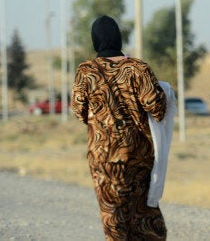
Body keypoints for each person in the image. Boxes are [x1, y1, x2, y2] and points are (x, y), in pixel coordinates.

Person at [71, 15, 168, 241]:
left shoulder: (86, 71)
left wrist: (101, 122)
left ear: (95, 41)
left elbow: (78, 111)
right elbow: (158, 109)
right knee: (143, 216)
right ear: (119, 38)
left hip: (103, 157)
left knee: (113, 218)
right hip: (139, 156)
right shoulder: (139, 68)